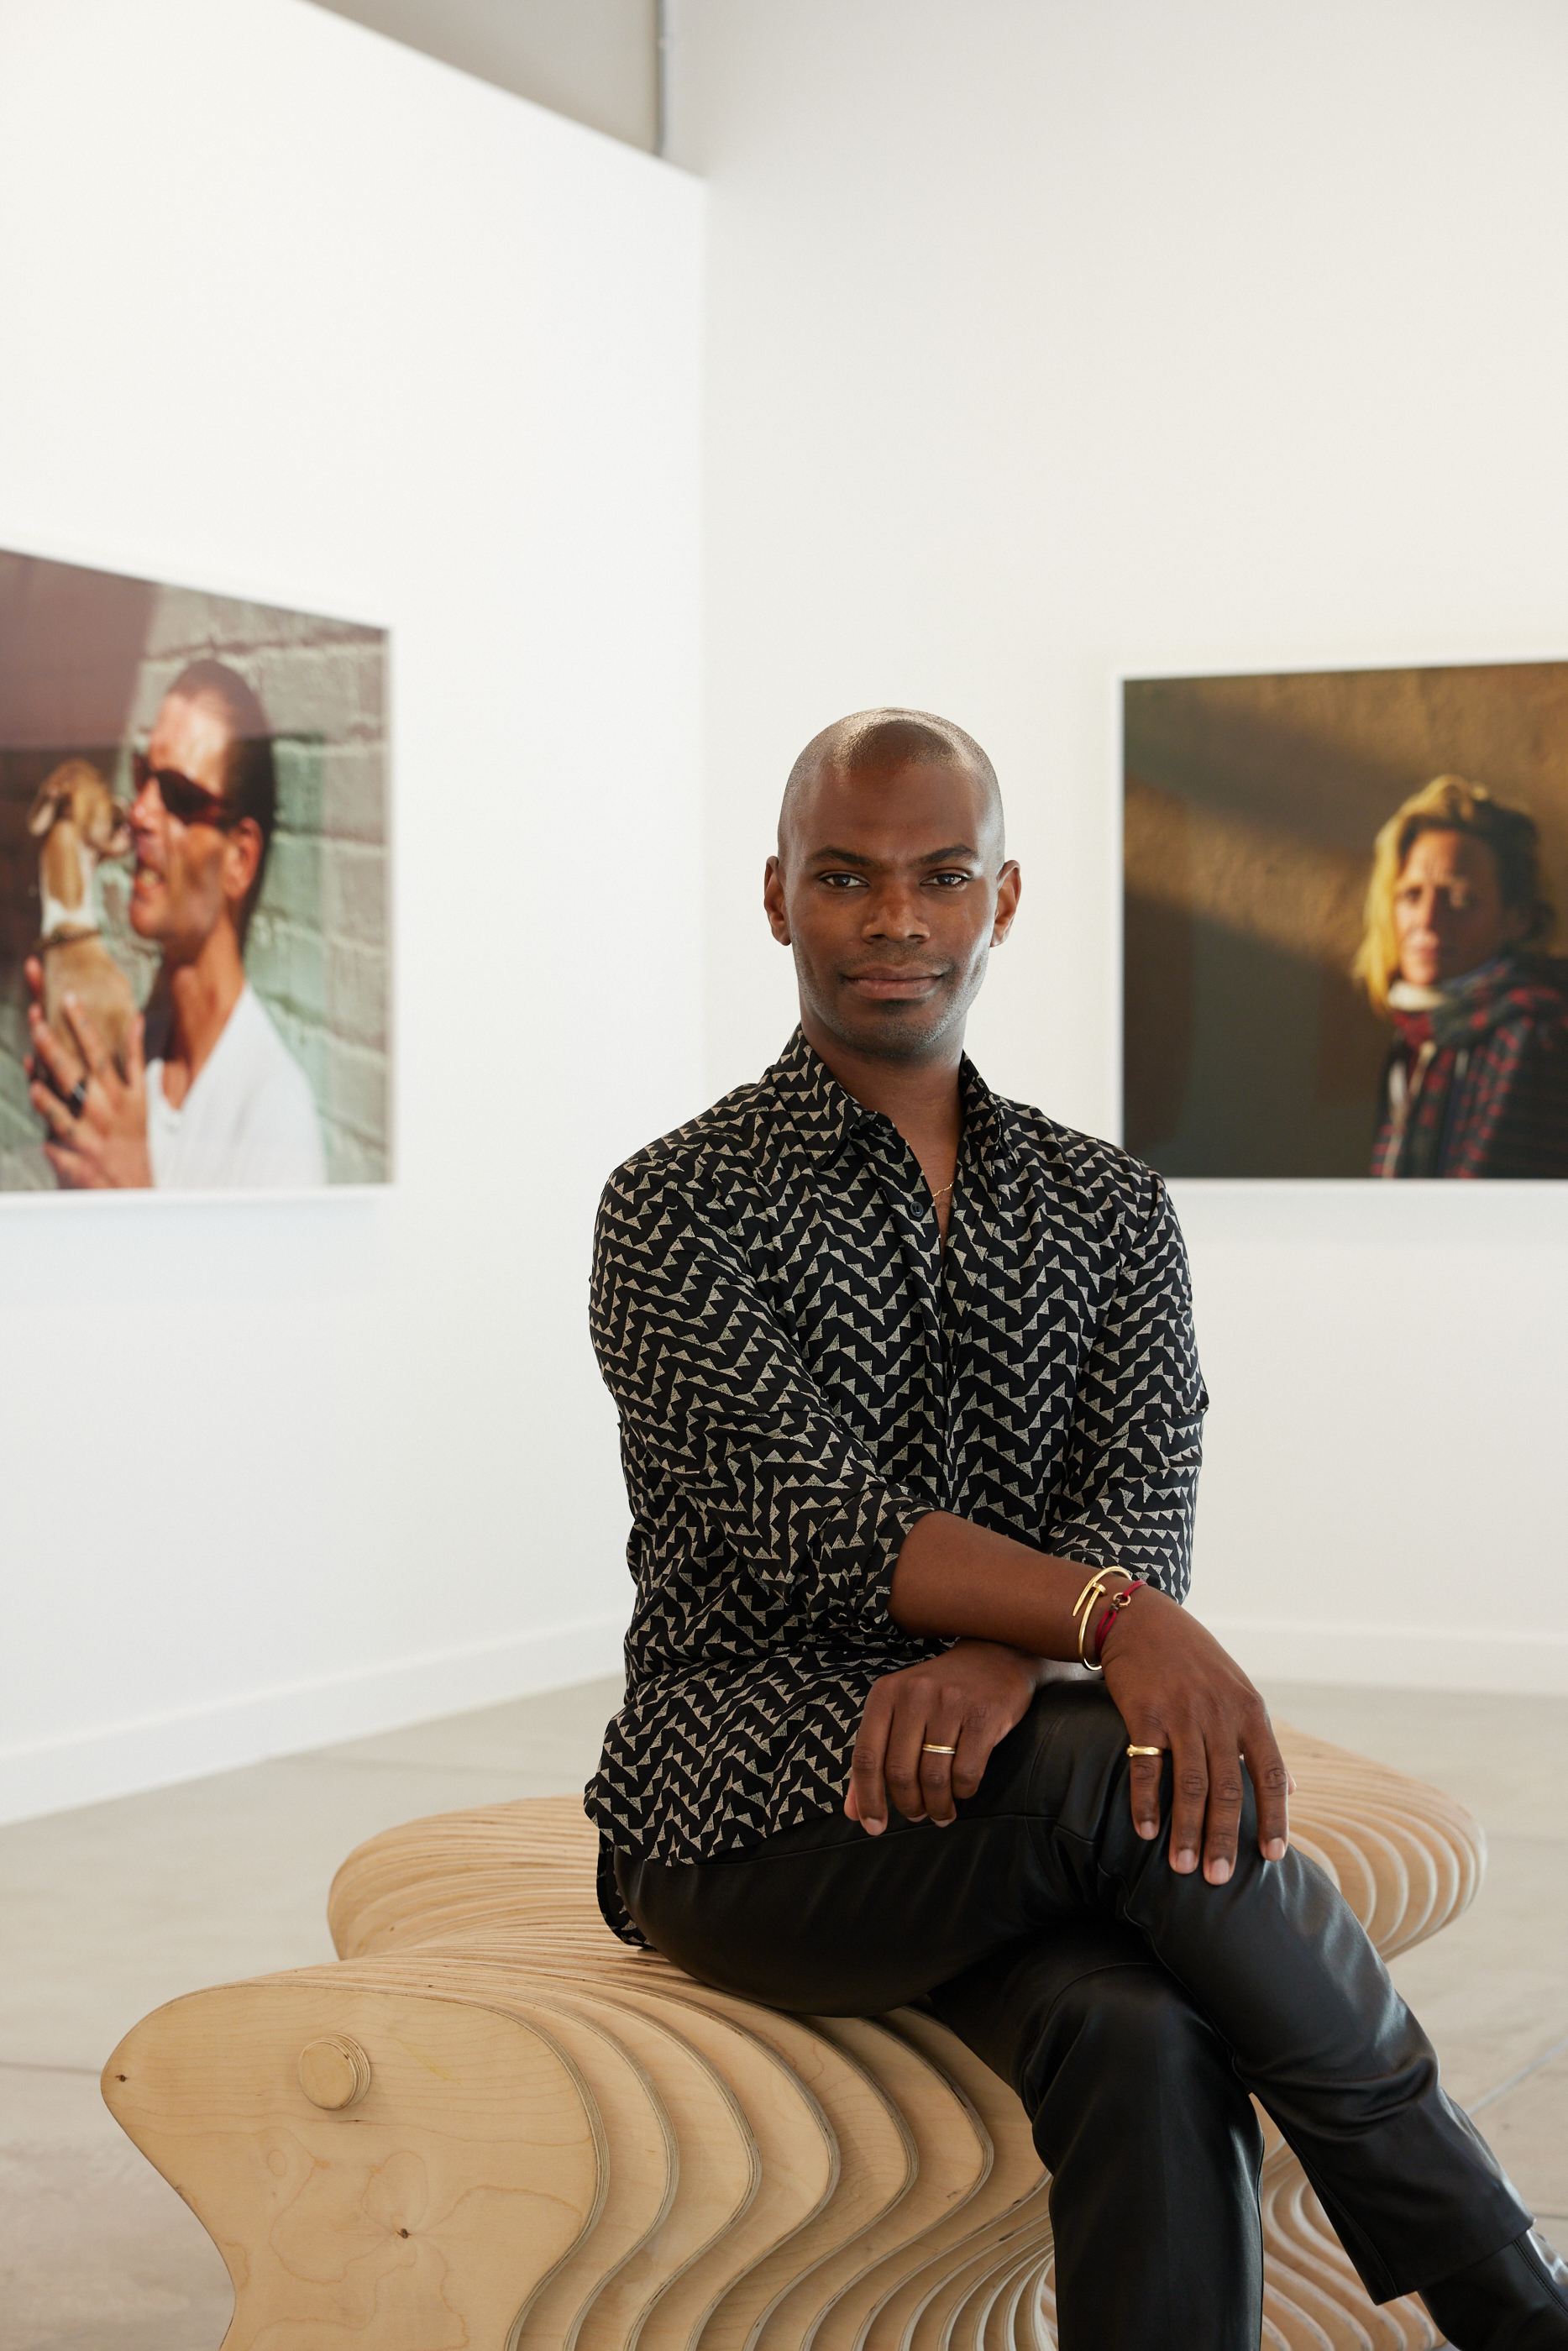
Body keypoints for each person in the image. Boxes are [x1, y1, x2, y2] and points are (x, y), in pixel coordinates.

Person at [585, 710, 1568, 2350]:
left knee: (1142, 2027)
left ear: (1004, 897)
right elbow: (817, 1522)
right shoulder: (674, 1204)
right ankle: (1509, 2297)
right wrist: (1106, 1623)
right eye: (845, 875)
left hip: (1006, 1769)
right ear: (775, 897)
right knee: (1135, 1771)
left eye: (938, 874)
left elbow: (1136, 1499)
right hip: (749, 1803)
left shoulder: (1111, 1205)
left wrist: (1003, 1643)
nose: (894, 916)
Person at [25, 659, 326, 1189]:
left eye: (180, 797)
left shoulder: (276, 1120)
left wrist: (134, 1190)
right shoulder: (135, 1051)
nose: (139, 812)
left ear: (239, 860)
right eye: (144, 777)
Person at [1355, 774, 1568, 1178]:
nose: (1428, 921)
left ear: (1517, 918)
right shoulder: (1418, 1036)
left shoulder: (1533, 1038)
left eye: (1460, 899)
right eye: (1411, 895)